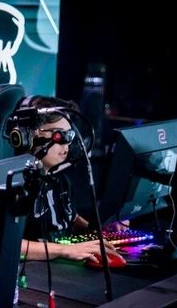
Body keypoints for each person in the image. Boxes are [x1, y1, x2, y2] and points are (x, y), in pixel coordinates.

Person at [15, 95, 125, 265]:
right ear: (28, 136)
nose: (66, 144)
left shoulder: (60, 181)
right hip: (32, 271)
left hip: (59, 265)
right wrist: (65, 250)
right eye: (59, 136)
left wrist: (101, 231)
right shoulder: (15, 186)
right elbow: (6, 243)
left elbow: (71, 218)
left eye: (70, 135)